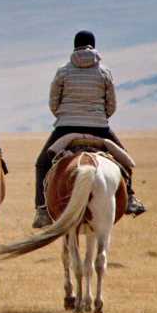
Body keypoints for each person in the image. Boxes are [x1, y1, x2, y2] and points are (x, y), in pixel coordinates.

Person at [31, 30, 146, 227]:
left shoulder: (63, 71)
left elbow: (53, 102)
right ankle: (130, 198)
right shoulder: (104, 71)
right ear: (93, 45)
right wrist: (100, 118)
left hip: (66, 127)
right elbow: (111, 104)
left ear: (74, 46)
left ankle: (42, 210)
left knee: (42, 164)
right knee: (124, 160)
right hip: (99, 127)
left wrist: (64, 116)